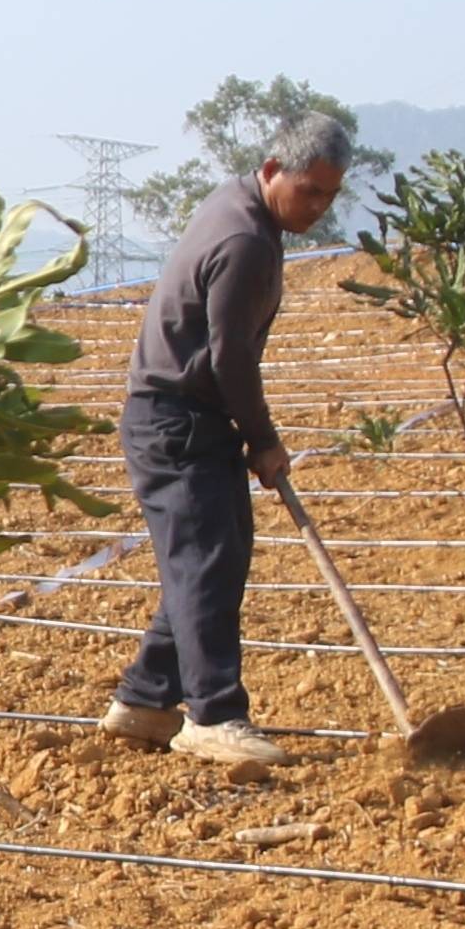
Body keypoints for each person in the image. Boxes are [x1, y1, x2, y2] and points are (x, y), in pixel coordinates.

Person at [104, 110, 355, 767]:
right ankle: (214, 714)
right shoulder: (245, 238)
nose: (320, 207)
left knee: (212, 557)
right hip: (176, 416)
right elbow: (230, 358)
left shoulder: (243, 208)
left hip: (190, 413)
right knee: (207, 561)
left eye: (331, 195)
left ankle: (147, 699)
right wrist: (264, 439)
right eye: (311, 191)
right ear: (274, 171)